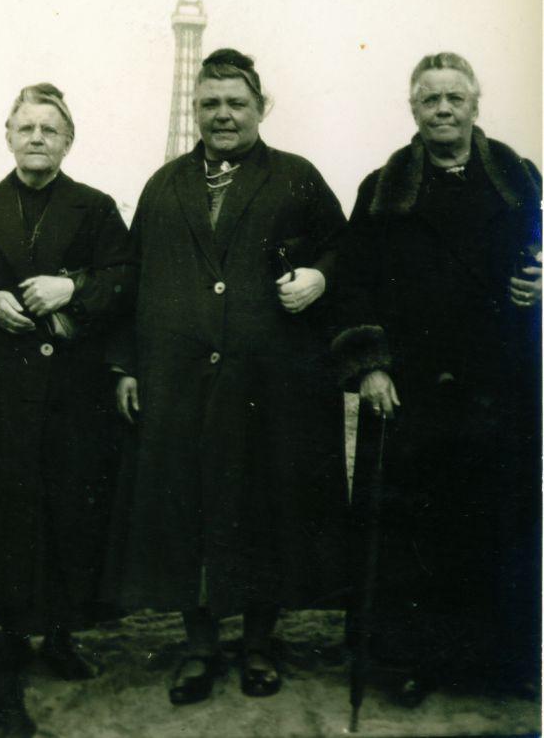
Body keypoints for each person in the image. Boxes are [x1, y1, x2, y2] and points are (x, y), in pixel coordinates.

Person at [106, 49, 350, 704]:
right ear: (195, 109)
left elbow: (346, 249)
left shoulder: (298, 178)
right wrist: (127, 365)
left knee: (267, 506)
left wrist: (322, 275)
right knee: (187, 508)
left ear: (260, 107)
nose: (222, 114)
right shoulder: (163, 186)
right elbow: (132, 279)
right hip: (179, 382)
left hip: (272, 385)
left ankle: (261, 642)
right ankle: (199, 644)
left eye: (235, 102)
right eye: (210, 103)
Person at [332, 53, 541, 704]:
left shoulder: (520, 178)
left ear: (476, 101)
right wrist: (368, 364)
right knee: (412, 531)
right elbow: (352, 284)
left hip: (502, 386)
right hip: (408, 392)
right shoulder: (382, 186)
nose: (443, 108)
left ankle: (502, 661)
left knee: (497, 521)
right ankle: (414, 659)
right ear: (413, 108)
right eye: (430, 99)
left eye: (454, 96)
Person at [0, 83, 129, 735]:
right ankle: (10, 633)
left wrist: (70, 286)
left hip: (73, 399)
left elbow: (125, 278)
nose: (37, 137)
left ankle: (63, 634)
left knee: (69, 509)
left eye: (50, 128)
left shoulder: (96, 209)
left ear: (67, 140)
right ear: (8, 135)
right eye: (27, 127)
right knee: (1, 514)